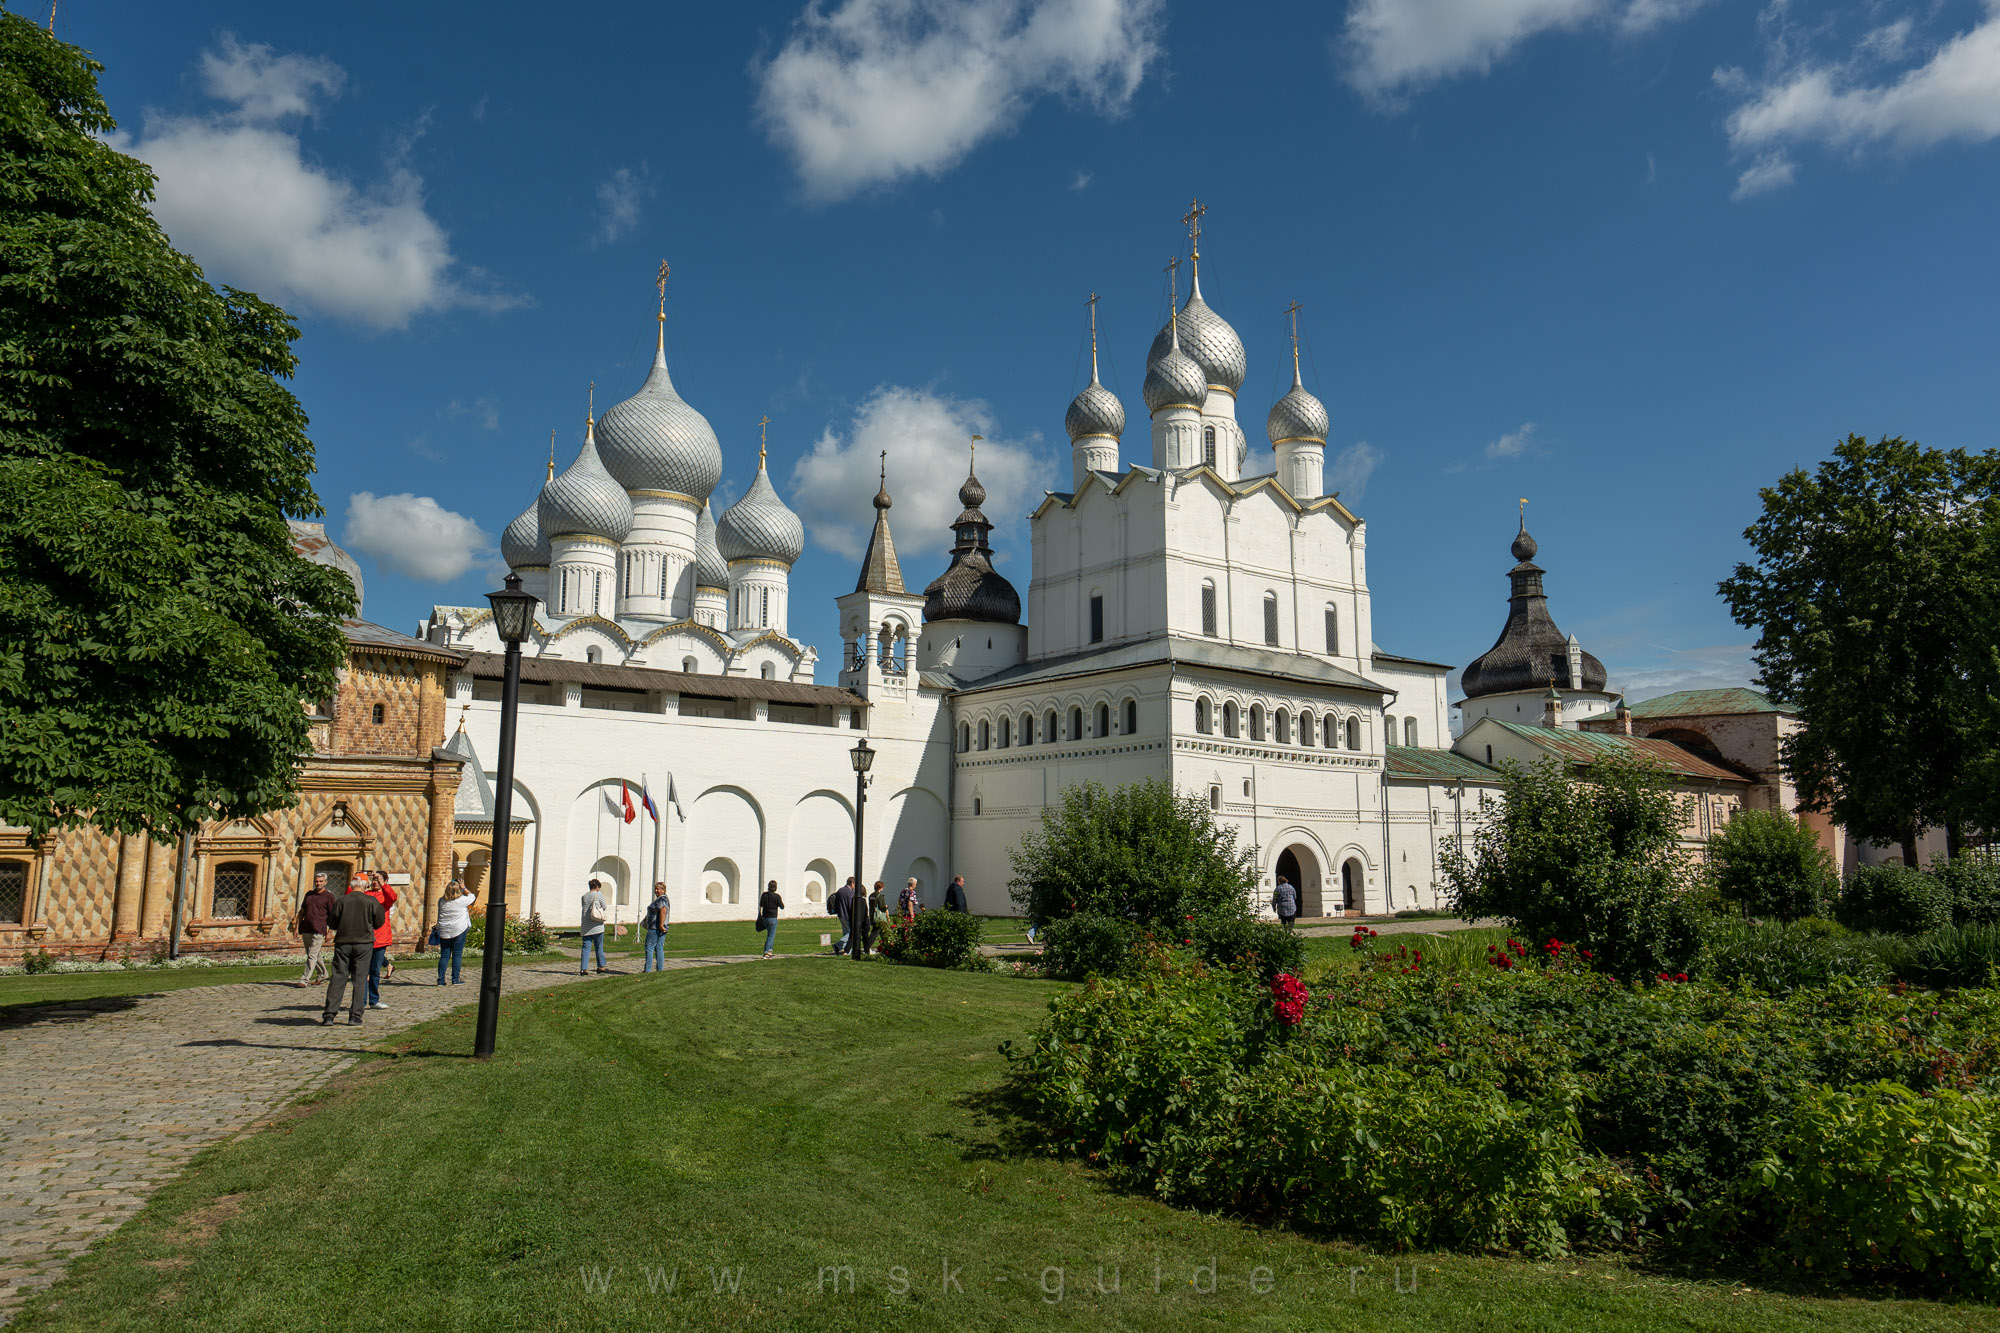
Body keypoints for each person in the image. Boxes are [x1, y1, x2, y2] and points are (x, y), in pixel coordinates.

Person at [321, 876, 385, 1025]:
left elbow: (332, 922)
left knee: (338, 977)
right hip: (364, 943)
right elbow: (379, 922)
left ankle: (329, 1015)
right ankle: (355, 1016)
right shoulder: (371, 901)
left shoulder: (342, 901)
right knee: (360, 978)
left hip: (343, 943)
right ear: (365, 885)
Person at [364, 871, 398, 1010]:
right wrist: (358, 878)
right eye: (373, 880)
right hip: (365, 937)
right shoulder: (366, 894)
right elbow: (350, 896)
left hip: (380, 937)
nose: (375, 882)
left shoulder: (385, 896)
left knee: (375, 971)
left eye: (378, 880)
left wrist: (382, 882)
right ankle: (361, 1000)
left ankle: (373, 1000)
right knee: (362, 972)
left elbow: (393, 896)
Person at [293, 872, 334, 987]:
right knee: (314, 954)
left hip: (319, 930)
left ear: (325, 882)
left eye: (321, 881)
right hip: (306, 928)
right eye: (317, 881)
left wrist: (330, 932)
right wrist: (296, 927)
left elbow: (333, 915)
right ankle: (323, 973)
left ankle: (304, 980)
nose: (318, 883)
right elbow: (302, 911)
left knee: (312, 955)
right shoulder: (309, 894)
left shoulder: (329, 896)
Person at [434, 879, 477, 986]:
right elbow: (472, 896)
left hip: (444, 931)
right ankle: (455, 978)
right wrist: (463, 887)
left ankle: (441, 980)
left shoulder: (441, 901)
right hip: (459, 929)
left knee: (444, 956)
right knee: (457, 955)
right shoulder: (461, 900)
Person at [579, 878, 610, 975]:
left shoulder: (584, 896)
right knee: (599, 947)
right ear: (597, 887)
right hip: (597, 925)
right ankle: (601, 966)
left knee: (586, 947)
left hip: (586, 926)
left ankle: (584, 969)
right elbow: (604, 906)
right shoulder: (598, 894)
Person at [641, 881, 671, 972]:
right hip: (661, 927)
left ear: (663, 890)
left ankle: (647, 969)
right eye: (656, 889)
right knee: (659, 947)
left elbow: (663, 912)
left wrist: (661, 925)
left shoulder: (661, 900)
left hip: (655, 927)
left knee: (649, 947)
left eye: (659, 889)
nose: (657, 891)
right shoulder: (664, 899)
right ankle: (660, 969)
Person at [757, 880, 784, 959]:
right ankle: (766, 953)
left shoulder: (764, 895)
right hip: (772, 917)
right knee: (771, 936)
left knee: (770, 934)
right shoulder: (777, 896)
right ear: (775, 887)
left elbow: (761, 904)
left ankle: (770, 951)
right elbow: (782, 906)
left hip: (765, 917)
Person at [830, 877, 856, 954]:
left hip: (840, 914)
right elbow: (851, 905)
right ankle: (838, 946)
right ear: (852, 883)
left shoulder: (840, 890)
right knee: (850, 933)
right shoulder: (850, 892)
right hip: (847, 915)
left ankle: (847, 950)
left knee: (846, 932)